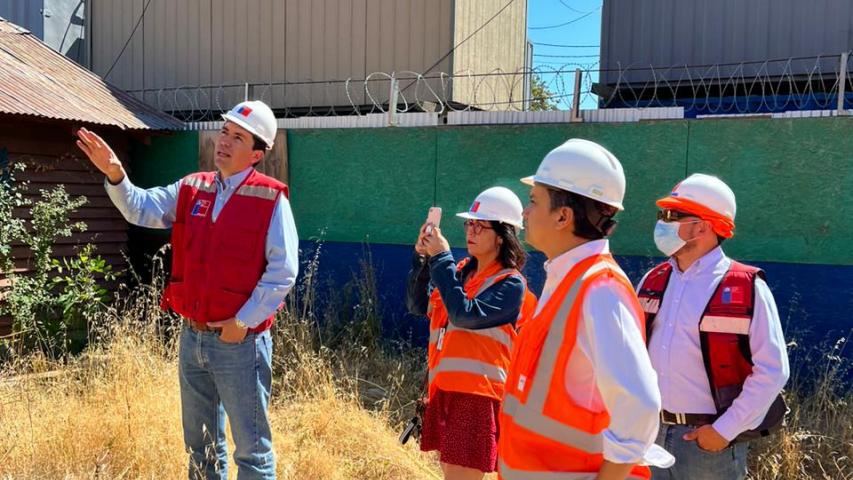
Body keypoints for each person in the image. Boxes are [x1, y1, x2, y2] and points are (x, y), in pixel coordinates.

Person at [75, 100, 298, 480]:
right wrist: (116, 175)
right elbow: (141, 208)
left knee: (252, 454)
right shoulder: (192, 188)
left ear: (256, 153)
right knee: (202, 449)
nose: (223, 142)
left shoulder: (270, 198)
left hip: (239, 344)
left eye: (237, 138)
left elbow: (283, 270)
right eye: (224, 132)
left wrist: (242, 322)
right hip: (192, 338)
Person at [499, 138, 673, 480]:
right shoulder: (567, 279)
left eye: (534, 201)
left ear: (563, 216)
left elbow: (640, 406)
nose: (525, 212)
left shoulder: (600, 289)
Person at [637, 174, 789, 480]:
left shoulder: (746, 286)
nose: (662, 224)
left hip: (707, 445)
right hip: (649, 435)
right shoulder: (652, 280)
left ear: (703, 226)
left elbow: (773, 370)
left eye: (672, 216)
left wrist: (724, 431)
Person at [406, 186, 537, 480]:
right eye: (469, 223)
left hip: (477, 399)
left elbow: (464, 314)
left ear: (502, 236)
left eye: (481, 225)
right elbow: (417, 304)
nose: (471, 230)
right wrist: (423, 259)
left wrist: (441, 257)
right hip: (445, 390)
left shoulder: (510, 284)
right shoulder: (461, 272)